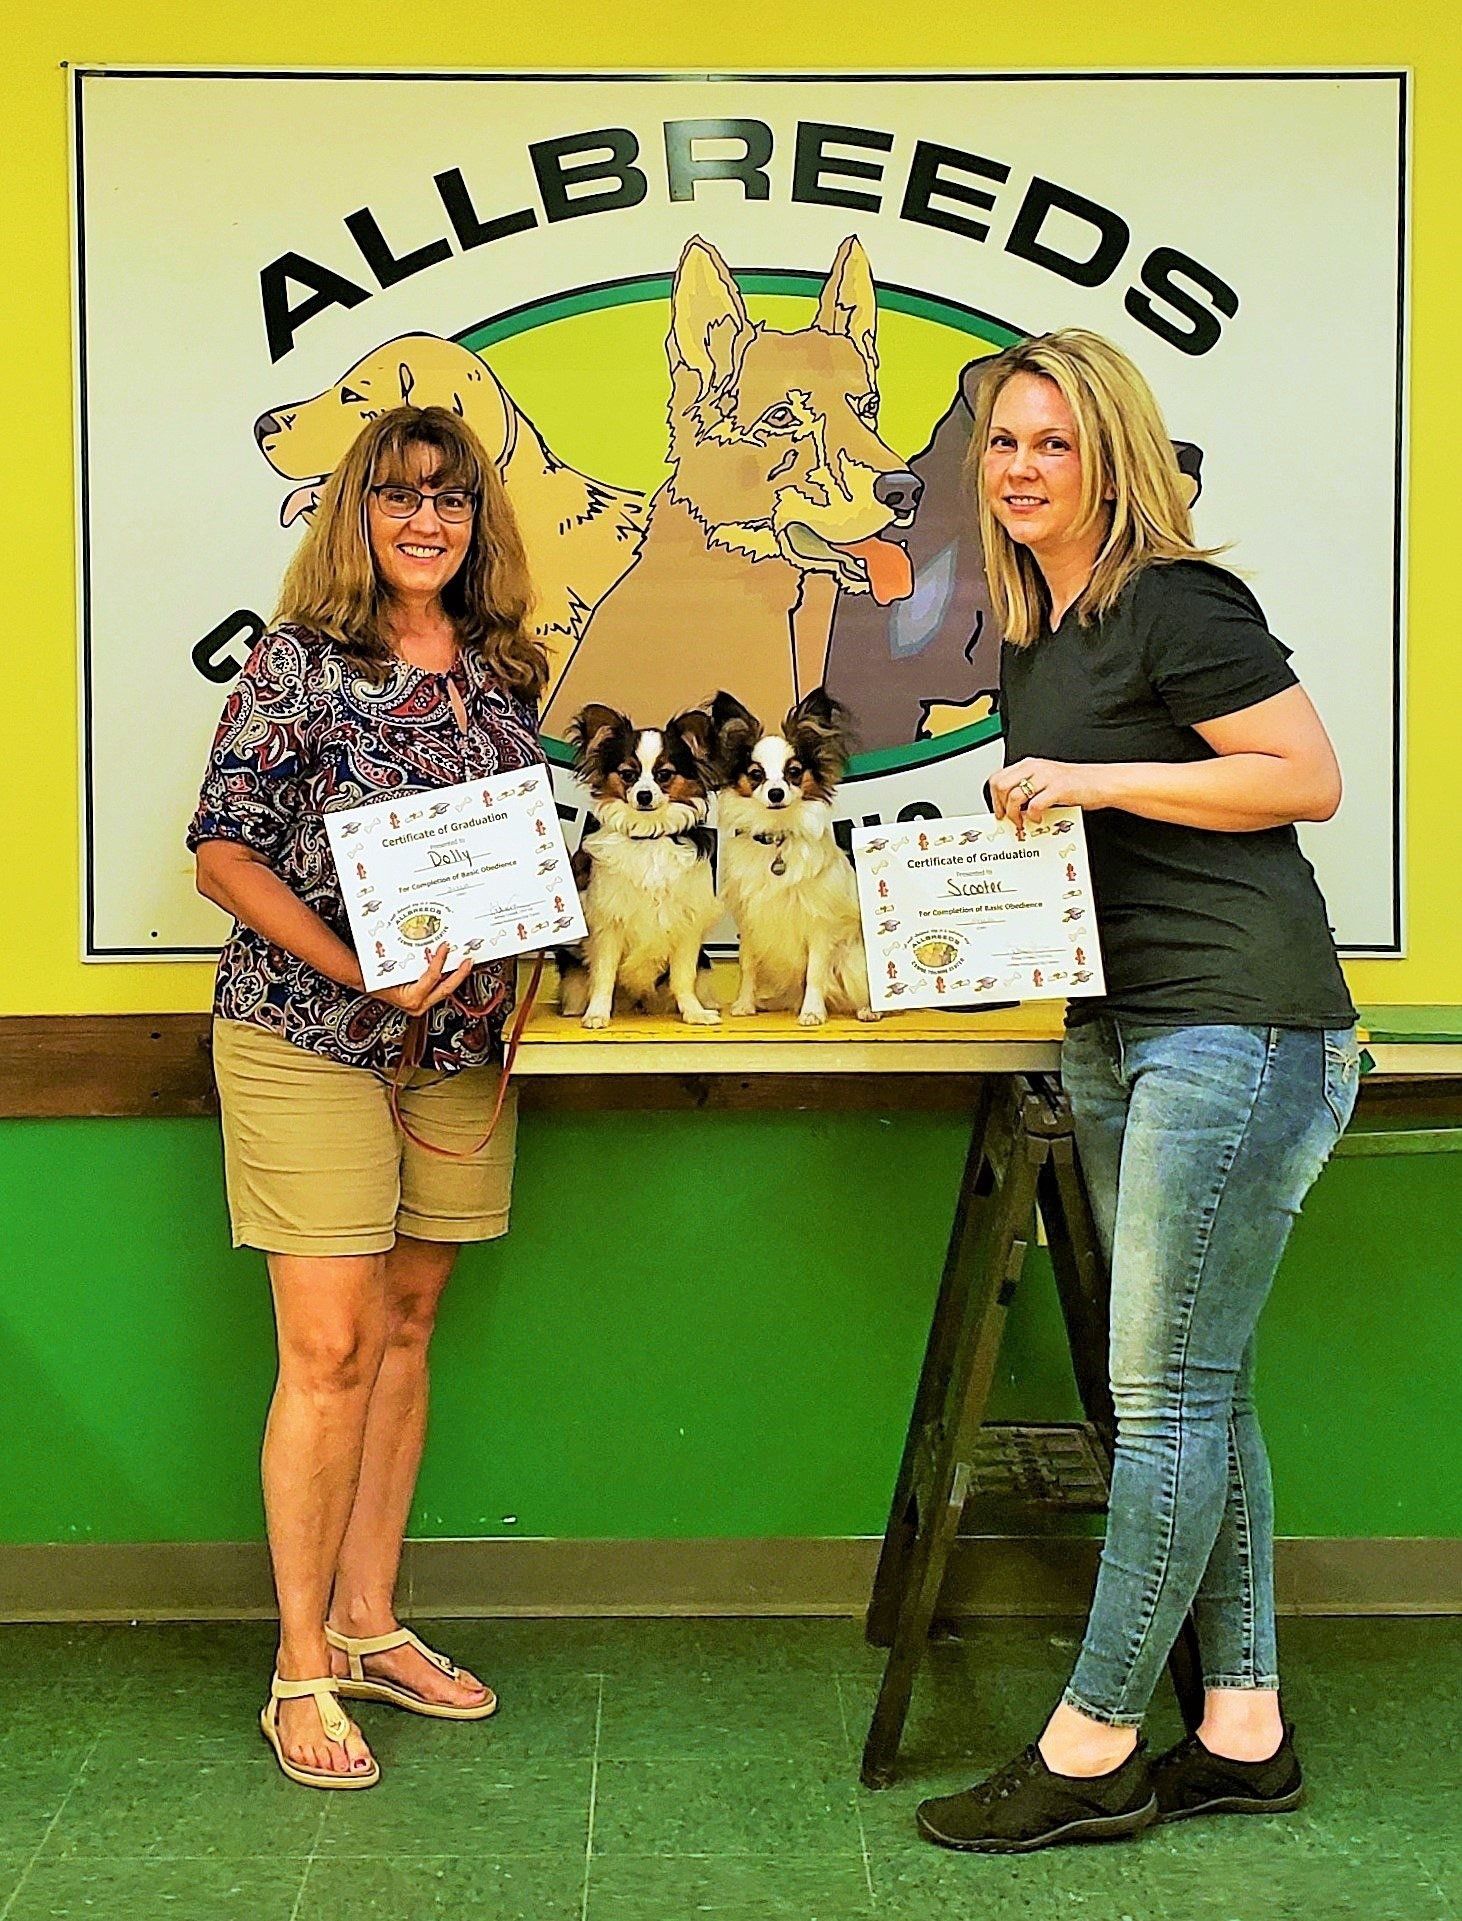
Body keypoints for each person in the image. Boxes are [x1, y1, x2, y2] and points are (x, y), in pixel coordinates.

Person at [915, 331, 1360, 1854]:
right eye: (1001, 444)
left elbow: (1300, 774)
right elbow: (1132, 820)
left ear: (1112, 453)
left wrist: (1093, 783)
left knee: (1156, 1397)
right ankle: (1241, 1729)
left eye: (1052, 441)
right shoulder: (1043, 629)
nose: (1022, 466)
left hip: (1235, 1031)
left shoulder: (1177, 600)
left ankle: (1093, 1740)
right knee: (1202, 1385)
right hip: (1120, 1025)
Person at [188, 405, 548, 1791]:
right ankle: (298, 1666)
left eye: (450, 500)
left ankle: (369, 1615)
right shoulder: (299, 666)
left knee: (405, 1326)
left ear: (475, 522)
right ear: (358, 511)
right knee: (329, 1348)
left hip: (456, 1056)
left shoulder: (503, 670)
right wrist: (361, 973)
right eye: (400, 497)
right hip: (307, 1039)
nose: (425, 522)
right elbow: (223, 854)